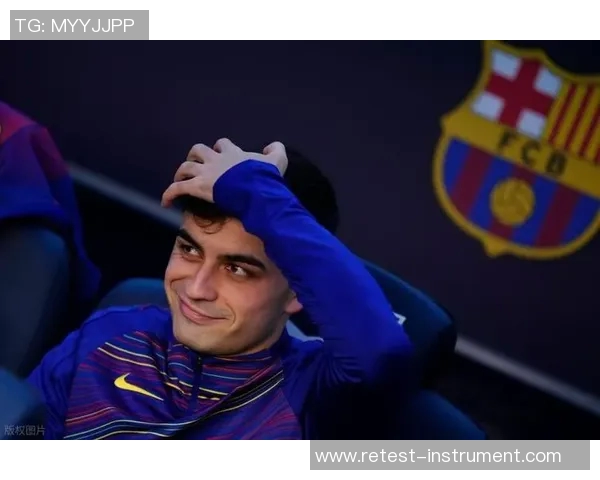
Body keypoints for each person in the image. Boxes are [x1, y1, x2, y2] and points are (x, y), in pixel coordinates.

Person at [27, 139, 415, 439]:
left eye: (237, 269)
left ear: (299, 290)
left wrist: (254, 190)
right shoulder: (108, 335)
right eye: (190, 250)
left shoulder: (314, 395)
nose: (197, 288)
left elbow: (380, 353)